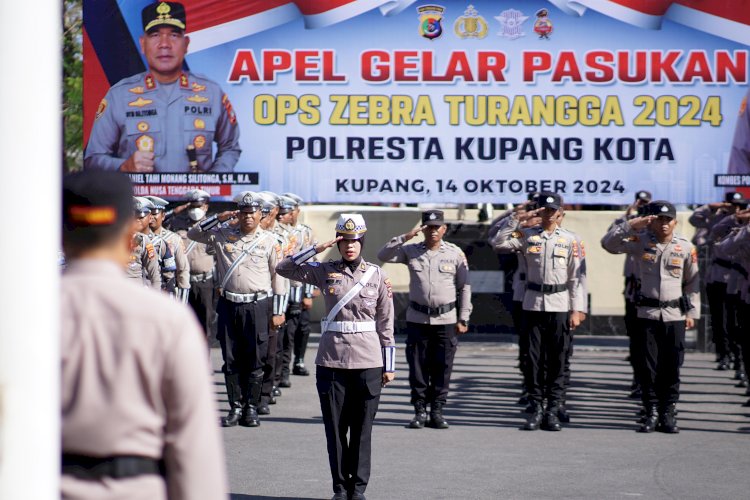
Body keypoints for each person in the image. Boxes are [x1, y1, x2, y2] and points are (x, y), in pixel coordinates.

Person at [61, 171, 227, 500]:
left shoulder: (24, 318)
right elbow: (193, 452)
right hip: (136, 487)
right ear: (129, 235)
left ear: (62, 236)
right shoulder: (168, 322)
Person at [277, 213, 395, 500]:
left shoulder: (376, 275)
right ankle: (340, 488)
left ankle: (358, 489)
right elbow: (283, 268)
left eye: (354, 241)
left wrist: (388, 365)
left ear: (362, 241)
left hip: (368, 362)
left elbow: (386, 323)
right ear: (338, 242)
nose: (350, 246)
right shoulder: (323, 270)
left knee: (362, 430)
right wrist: (317, 248)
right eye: (344, 241)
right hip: (332, 361)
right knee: (335, 429)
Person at [84, 1, 240, 173]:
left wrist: (212, 181)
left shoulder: (211, 93)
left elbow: (230, 148)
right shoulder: (118, 95)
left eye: (173, 35)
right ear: (142, 44)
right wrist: (123, 166)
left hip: (196, 199)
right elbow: (92, 158)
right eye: (155, 35)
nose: (164, 44)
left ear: (186, 44)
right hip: (138, 199)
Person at [188, 191, 286, 428]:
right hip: (230, 304)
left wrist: (278, 311)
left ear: (260, 215)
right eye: (243, 213)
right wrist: (220, 217)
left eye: (252, 213)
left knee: (255, 358)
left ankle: (251, 407)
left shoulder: (270, 241)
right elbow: (193, 233)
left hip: (258, 305)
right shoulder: (223, 235)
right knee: (230, 359)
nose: (247, 218)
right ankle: (235, 407)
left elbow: (279, 278)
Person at [601, 201, 700, 433]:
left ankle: (668, 413)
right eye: (660, 219)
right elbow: (609, 244)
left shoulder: (685, 247)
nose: (664, 224)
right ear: (652, 221)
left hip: (675, 314)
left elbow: (692, 282)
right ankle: (651, 411)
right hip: (647, 313)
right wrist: (631, 224)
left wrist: (692, 313)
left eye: (668, 220)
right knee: (648, 366)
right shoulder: (640, 241)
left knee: (672, 366)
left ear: (675, 222)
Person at [490, 192, 583, 432]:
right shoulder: (526, 235)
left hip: (560, 304)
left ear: (560, 213)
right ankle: (536, 408)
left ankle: (553, 409)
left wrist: (578, 309)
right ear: (539, 212)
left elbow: (577, 278)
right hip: (532, 304)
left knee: (558, 359)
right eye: (545, 210)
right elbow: (499, 243)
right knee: (532, 360)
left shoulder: (571, 240)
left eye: (553, 211)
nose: (549, 215)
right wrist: (518, 218)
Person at [377, 209, 472, 429]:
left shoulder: (455, 253)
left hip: (446, 319)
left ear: (444, 229)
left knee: (443, 366)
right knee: (417, 366)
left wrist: (464, 317)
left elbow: (464, 287)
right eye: (428, 226)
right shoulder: (411, 250)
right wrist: (405, 236)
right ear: (423, 228)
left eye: (437, 226)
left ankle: (437, 410)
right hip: (418, 319)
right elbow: (384, 255)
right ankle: (420, 410)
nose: (433, 231)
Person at [168, 189, 218, 342]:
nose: (195, 210)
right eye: (192, 206)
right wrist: (177, 211)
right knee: (183, 325)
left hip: (205, 283)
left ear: (206, 207)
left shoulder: (214, 227)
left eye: (199, 206)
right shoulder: (178, 225)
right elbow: (158, 221)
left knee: (205, 325)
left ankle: (203, 361)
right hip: (184, 282)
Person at [283, 192, 318, 377]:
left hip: (301, 286)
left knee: (303, 327)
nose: (286, 214)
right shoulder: (279, 231)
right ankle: (284, 367)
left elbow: (312, 261)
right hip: (283, 286)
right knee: (285, 330)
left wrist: (309, 293)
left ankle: (299, 360)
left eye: (290, 210)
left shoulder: (305, 232)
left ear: (297, 211)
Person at [145, 195, 190, 301]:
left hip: (165, 293)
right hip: (143, 293)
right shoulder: (137, 239)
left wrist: (182, 302)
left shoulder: (174, 239)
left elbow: (183, 270)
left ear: (163, 216)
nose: (151, 217)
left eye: (154, 213)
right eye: (148, 213)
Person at [128, 197, 161, 288]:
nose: (137, 220)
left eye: (140, 217)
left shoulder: (143, 240)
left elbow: (154, 273)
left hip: (135, 292)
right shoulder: (110, 238)